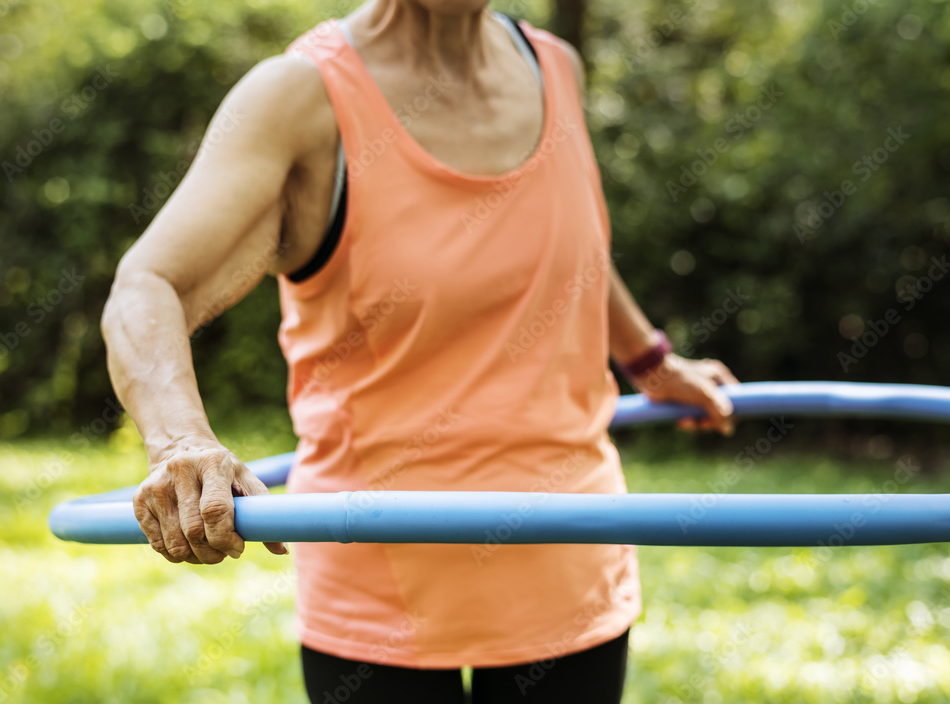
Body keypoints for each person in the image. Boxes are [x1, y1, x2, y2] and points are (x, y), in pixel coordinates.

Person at [101, 1, 739, 701]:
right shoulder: (299, 97)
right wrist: (178, 442)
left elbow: (570, 250)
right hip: (382, 581)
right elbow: (149, 284)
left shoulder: (556, 65)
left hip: (568, 553)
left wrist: (649, 361)